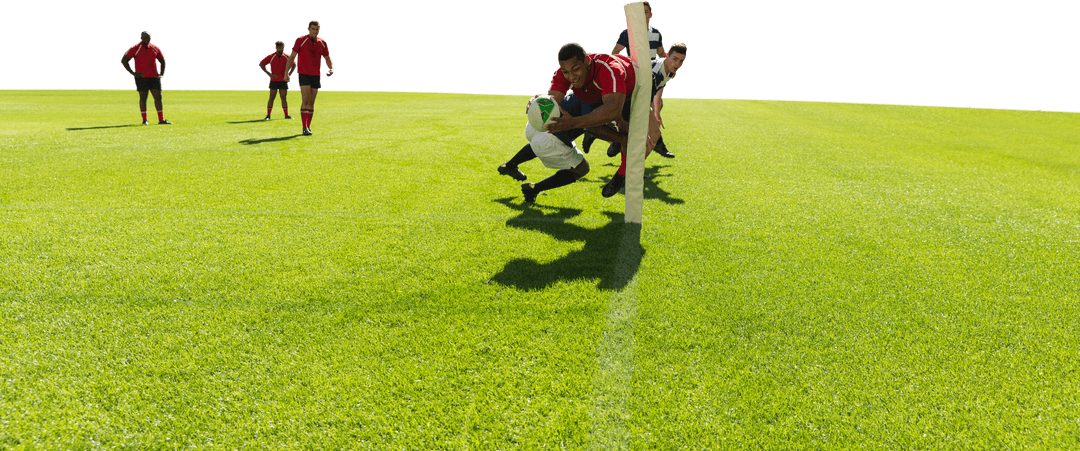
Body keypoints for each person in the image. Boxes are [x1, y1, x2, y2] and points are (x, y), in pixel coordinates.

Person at [497, 42, 634, 201]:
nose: (571, 76)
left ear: (587, 61)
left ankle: (511, 165)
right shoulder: (576, 77)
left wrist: (572, 121)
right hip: (549, 135)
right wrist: (538, 103)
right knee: (582, 168)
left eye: (575, 69)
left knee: (590, 122)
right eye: (566, 72)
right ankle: (534, 188)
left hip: (536, 129)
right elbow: (555, 101)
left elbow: (612, 110)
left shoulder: (609, 70)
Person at [600, 42, 688, 197]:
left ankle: (631, 170)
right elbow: (640, 94)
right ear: (666, 55)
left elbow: (658, 91)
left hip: (639, 101)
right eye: (675, 59)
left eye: (681, 61)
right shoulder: (654, 71)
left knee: (653, 137)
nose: (678, 64)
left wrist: (657, 112)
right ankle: (623, 170)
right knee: (643, 140)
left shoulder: (669, 71)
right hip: (627, 101)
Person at [582, 0, 666, 153]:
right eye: (640, 12)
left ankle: (621, 141)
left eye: (646, 12)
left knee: (642, 112)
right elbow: (614, 53)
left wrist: (668, 67)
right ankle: (617, 140)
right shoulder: (628, 33)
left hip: (651, 79)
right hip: (633, 78)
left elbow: (661, 54)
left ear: (651, 15)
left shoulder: (656, 33)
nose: (643, 15)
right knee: (630, 111)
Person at [284, 20, 334, 136]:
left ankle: (308, 126)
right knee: (305, 100)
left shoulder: (322, 42)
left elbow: (327, 57)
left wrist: (331, 68)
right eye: (313, 29)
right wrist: (286, 73)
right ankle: (304, 127)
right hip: (304, 74)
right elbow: (291, 57)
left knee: (311, 102)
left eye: (317, 29)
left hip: (316, 75)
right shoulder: (300, 40)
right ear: (308, 29)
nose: (315, 31)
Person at [121, 30, 170, 125]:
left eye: (148, 38)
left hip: (154, 78)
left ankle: (161, 119)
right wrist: (133, 73)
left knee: (158, 98)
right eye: (144, 37)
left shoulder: (155, 48)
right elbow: (124, 60)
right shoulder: (135, 48)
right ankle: (144, 120)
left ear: (150, 38)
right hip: (141, 78)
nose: (146, 39)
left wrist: (161, 73)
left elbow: (162, 60)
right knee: (143, 98)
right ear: (141, 38)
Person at [259, 41, 294, 120]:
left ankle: (286, 115)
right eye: (280, 47)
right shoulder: (271, 56)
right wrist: (269, 74)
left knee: (283, 97)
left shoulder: (287, 56)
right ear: (276, 48)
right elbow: (261, 64)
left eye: (282, 47)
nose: (281, 49)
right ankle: (268, 115)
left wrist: (288, 74)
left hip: (283, 81)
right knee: (271, 97)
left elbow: (294, 65)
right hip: (274, 80)